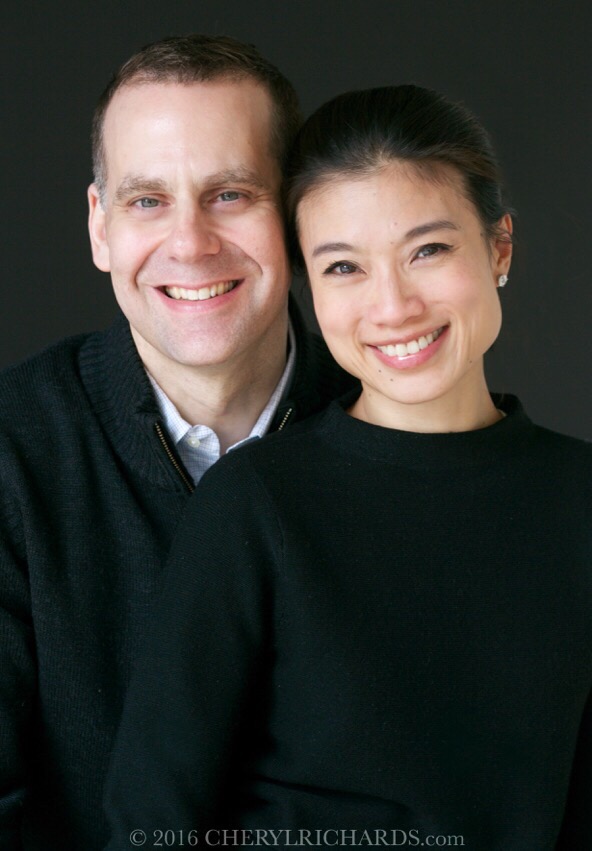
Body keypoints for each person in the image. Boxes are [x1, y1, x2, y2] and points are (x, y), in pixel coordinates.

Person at [103, 85, 592, 850]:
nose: (392, 306)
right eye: (343, 267)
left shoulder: (578, 499)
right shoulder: (257, 502)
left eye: (428, 250)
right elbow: (151, 820)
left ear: (499, 247)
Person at [0, 35, 355, 851]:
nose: (190, 242)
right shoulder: (13, 450)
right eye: (147, 201)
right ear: (100, 226)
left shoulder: (392, 438)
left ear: (297, 213)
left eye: (230, 194)